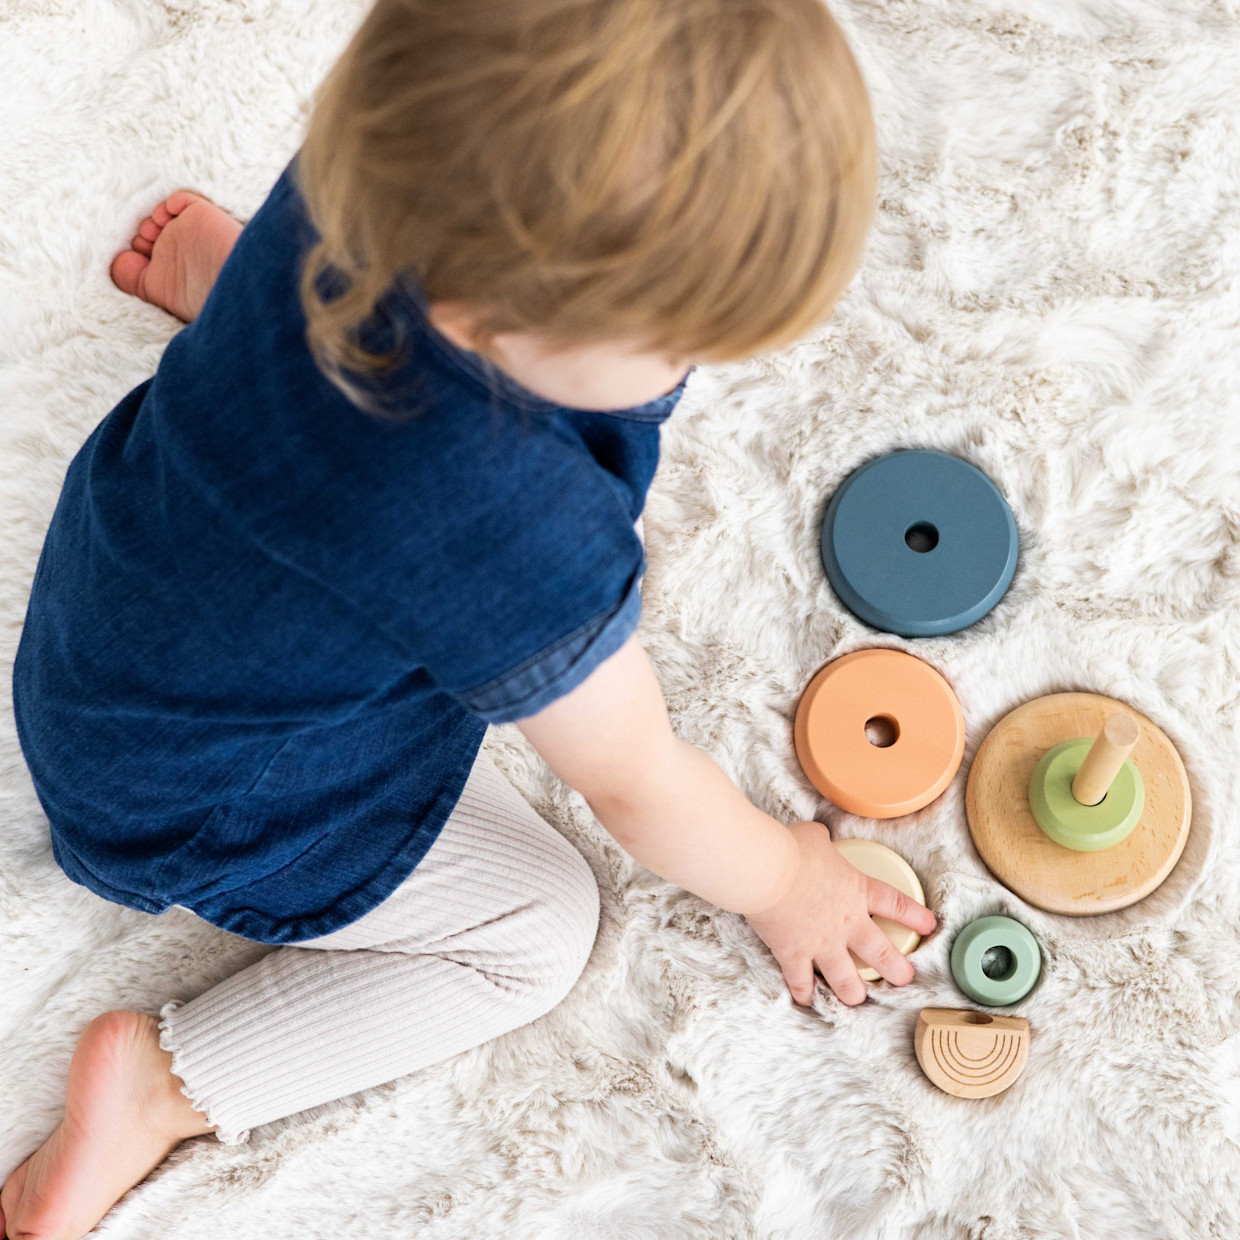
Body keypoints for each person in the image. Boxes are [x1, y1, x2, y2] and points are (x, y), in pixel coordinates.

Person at [0, 1, 934, 1236]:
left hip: (118, 604)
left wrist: (251, 297)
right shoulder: (507, 521)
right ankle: (160, 1086)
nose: (683, 375)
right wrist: (784, 880)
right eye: (675, 347)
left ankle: (231, 298)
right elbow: (639, 784)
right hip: (204, 793)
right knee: (539, 929)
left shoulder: (387, 150)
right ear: (515, 334)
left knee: (291, 406)